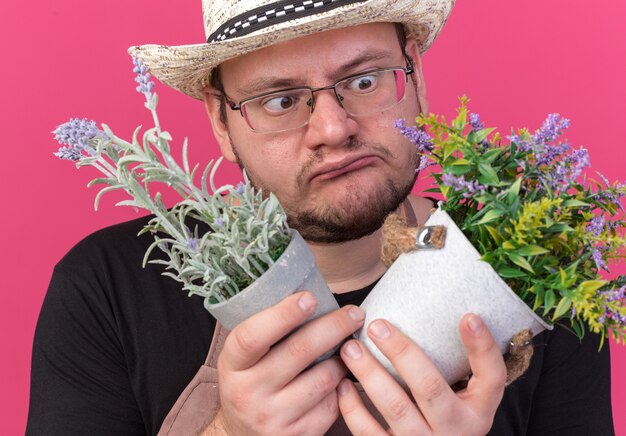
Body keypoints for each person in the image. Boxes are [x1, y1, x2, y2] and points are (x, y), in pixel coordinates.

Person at [28, 0, 614, 434]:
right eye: (279, 100)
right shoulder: (105, 288)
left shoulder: (537, 282)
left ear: (416, 79)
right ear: (220, 122)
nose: (334, 129)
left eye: (363, 81)